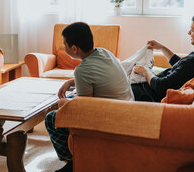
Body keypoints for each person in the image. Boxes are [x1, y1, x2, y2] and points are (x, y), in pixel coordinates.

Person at [45, 22, 133, 172]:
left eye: (64, 44)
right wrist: (71, 82)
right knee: (70, 102)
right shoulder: (105, 52)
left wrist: (64, 103)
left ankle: (74, 163)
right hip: (127, 110)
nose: (63, 48)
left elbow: (85, 110)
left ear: (74, 48)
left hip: (111, 120)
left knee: (52, 118)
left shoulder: (82, 70)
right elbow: (98, 77)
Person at [132, 11, 194, 102]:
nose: (189, 32)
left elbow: (161, 87)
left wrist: (145, 72)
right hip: (148, 87)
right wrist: (162, 48)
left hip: (146, 93)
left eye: (192, 30)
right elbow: (181, 65)